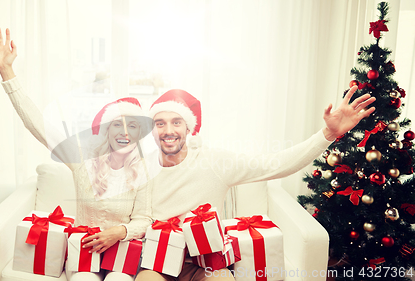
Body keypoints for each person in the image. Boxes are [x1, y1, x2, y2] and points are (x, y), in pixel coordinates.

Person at [136, 88, 375, 281]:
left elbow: (275, 164)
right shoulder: (142, 170)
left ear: (188, 128)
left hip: (205, 265)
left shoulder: (214, 162)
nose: (168, 131)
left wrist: (327, 134)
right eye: (160, 123)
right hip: (158, 265)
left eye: (176, 122)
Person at [0, 26, 152, 281]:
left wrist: (118, 231)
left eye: (132, 125)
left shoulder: (143, 171)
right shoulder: (82, 158)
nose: (124, 132)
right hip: (83, 253)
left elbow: (144, 220)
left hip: (121, 255)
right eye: (116, 124)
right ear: (106, 131)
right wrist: (7, 72)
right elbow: (38, 126)